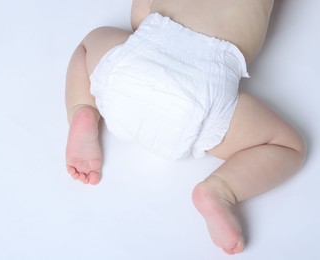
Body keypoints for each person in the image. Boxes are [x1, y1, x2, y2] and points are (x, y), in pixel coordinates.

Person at [65, 0, 305, 255]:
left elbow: (139, 19)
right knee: (288, 146)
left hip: (135, 66)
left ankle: (84, 110)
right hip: (202, 90)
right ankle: (220, 189)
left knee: (89, 43)